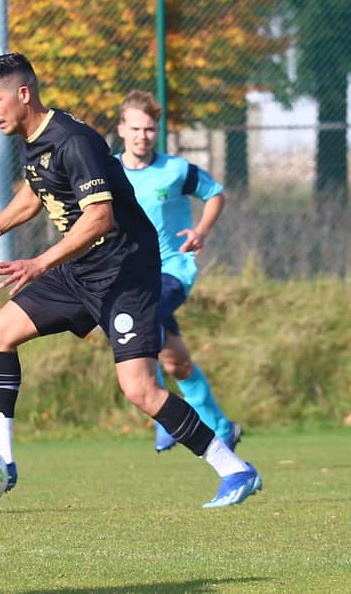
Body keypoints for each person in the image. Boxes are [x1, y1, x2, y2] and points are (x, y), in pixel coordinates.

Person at [0, 53, 261, 508]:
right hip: (81, 270)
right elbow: (35, 193)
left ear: (23, 94)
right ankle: (2, 460)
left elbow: (99, 218)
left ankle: (235, 469)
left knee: (140, 390)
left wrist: (39, 264)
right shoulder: (34, 139)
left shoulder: (74, 141)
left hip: (124, 273)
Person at [115, 90, 241, 453]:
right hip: (129, 276)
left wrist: (201, 231)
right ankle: (221, 426)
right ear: (121, 129)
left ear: (157, 131)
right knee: (176, 361)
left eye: (149, 129)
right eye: (135, 128)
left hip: (173, 268)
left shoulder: (175, 170)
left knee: (142, 317)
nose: (142, 136)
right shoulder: (108, 172)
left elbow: (215, 193)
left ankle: (165, 419)